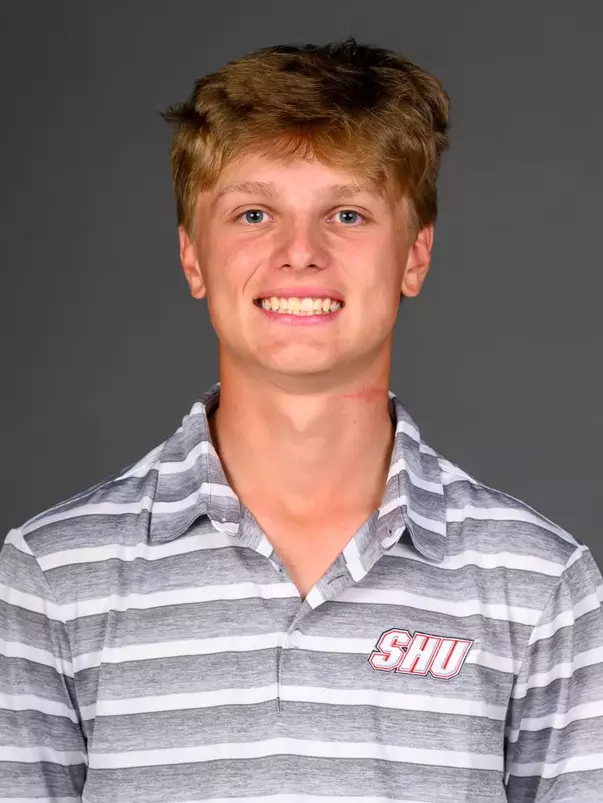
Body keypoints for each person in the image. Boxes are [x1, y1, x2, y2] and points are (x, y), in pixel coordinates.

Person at [1, 36, 601, 803]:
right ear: (192, 257)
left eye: (347, 213)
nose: (299, 253)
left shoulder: (540, 583)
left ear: (414, 257)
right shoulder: (53, 575)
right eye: (254, 212)